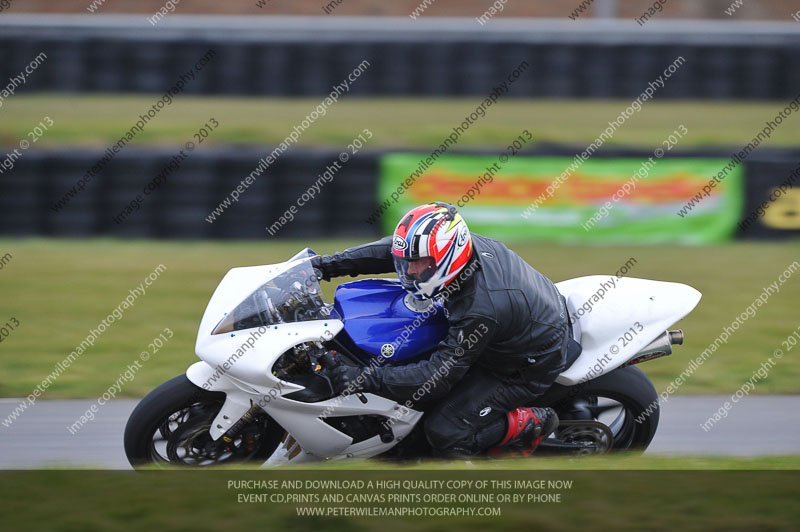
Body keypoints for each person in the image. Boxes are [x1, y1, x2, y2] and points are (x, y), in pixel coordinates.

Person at [312, 202, 577, 457]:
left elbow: (437, 377)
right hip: (521, 317)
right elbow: (389, 251)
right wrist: (326, 266)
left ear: (448, 257)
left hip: (526, 362)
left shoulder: (480, 308)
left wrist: (365, 378)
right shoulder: (447, 239)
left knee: (445, 430)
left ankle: (532, 422)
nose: (411, 270)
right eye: (408, 262)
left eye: (420, 263)